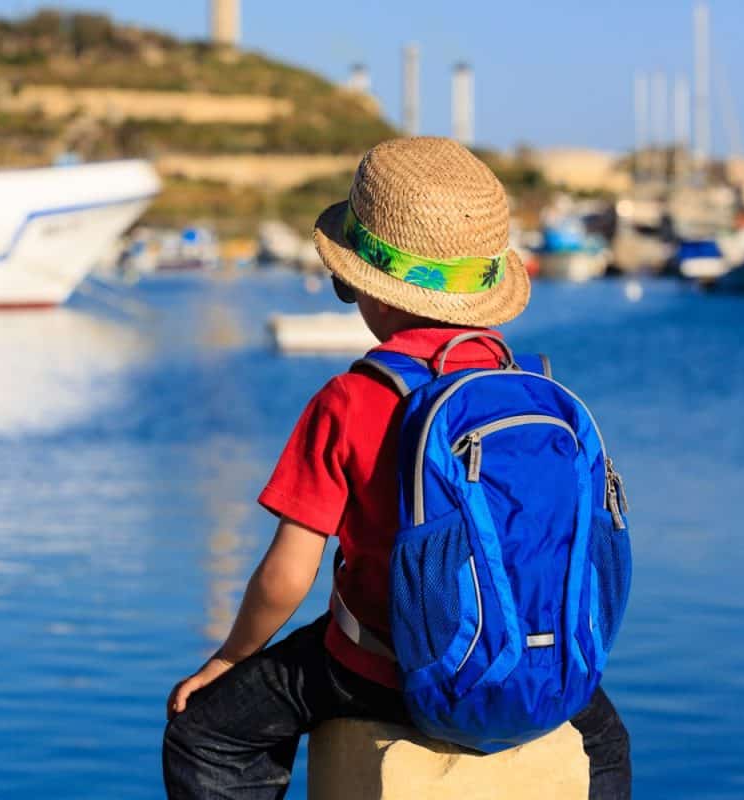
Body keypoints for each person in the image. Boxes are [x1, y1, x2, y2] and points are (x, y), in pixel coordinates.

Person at [162, 138, 631, 799]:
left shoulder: (351, 399)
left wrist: (232, 656)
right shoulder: (523, 383)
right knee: (605, 745)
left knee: (209, 734)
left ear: (366, 290)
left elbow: (288, 574)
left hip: (383, 676)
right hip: (526, 661)